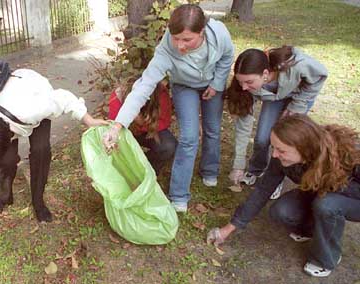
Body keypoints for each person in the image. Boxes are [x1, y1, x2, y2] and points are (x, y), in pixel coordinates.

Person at [102, 4, 234, 212]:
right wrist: (118, 125)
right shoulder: (166, 49)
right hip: (184, 86)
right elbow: (143, 87)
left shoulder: (219, 34)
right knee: (189, 137)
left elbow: (227, 58)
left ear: (202, 32)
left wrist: (217, 83)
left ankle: (209, 169)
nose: (180, 46)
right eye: (176, 38)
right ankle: (179, 196)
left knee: (212, 129)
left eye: (187, 40)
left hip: (212, 84)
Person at [207, 114, 360, 277]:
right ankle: (311, 229)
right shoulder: (280, 158)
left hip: (352, 200)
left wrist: (336, 188)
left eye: (281, 150)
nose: (274, 155)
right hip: (320, 191)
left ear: (304, 147)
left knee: (326, 205)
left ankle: (327, 258)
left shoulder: (348, 152)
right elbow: (262, 190)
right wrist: (229, 228)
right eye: (274, 147)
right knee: (281, 211)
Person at [0, 68, 107, 232]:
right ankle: (5, 196)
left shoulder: (35, 109)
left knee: (40, 150)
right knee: (7, 160)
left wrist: (89, 120)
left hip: (34, 89)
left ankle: (38, 202)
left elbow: (64, 98)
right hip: (9, 105)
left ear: (10, 138)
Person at [225, 46, 328, 194]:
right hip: (275, 97)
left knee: (284, 141)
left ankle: (275, 179)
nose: (244, 87)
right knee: (262, 139)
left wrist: (298, 104)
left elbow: (320, 75)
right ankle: (256, 170)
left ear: (265, 73)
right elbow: (243, 128)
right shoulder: (245, 88)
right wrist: (238, 165)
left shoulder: (297, 65)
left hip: (300, 97)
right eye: (241, 81)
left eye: (249, 81)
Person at [108, 79, 177, 175]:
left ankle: (147, 169)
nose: (141, 102)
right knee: (114, 144)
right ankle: (125, 168)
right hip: (126, 130)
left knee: (168, 146)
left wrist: (141, 122)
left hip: (148, 130)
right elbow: (113, 123)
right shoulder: (119, 95)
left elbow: (164, 122)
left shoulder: (160, 93)